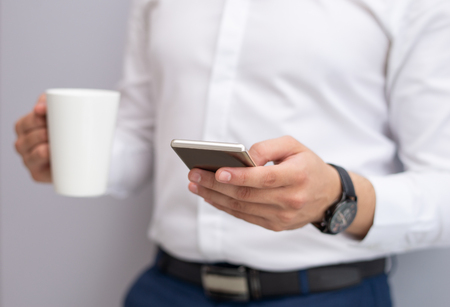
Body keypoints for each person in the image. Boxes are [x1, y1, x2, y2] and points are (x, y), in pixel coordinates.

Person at [14, 0, 450, 306]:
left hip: (326, 297)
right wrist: (67, 155)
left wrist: (337, 198)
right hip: (166, 291)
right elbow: (142, 138)